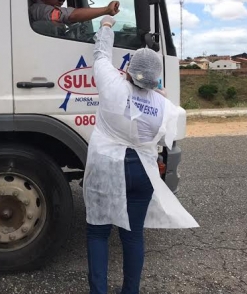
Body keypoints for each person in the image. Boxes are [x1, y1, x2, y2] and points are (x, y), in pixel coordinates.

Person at [83, 16, 199, 294]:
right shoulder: (163, 104)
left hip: (106, 167)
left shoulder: (112, 83)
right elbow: (163, 136)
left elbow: (100, 53)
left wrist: (107, 26)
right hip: (141, 173)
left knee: (98, 232)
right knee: (133, 237)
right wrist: (158, 95)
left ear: (128, 70)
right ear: (155, 75)